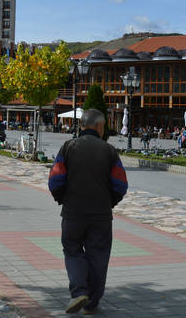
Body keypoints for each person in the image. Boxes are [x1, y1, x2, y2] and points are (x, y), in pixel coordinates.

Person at [48, 109, 128, 315]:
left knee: (72, 250)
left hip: (72, 212)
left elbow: (55, 180)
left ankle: (79, 292)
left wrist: (62, 199)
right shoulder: (109, 151)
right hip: (101, 214)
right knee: (98, 255)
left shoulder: (68, 147)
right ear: (99, 126)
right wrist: (109, 202)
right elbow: (120, 184)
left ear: (82, 125)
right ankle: (91, 303)